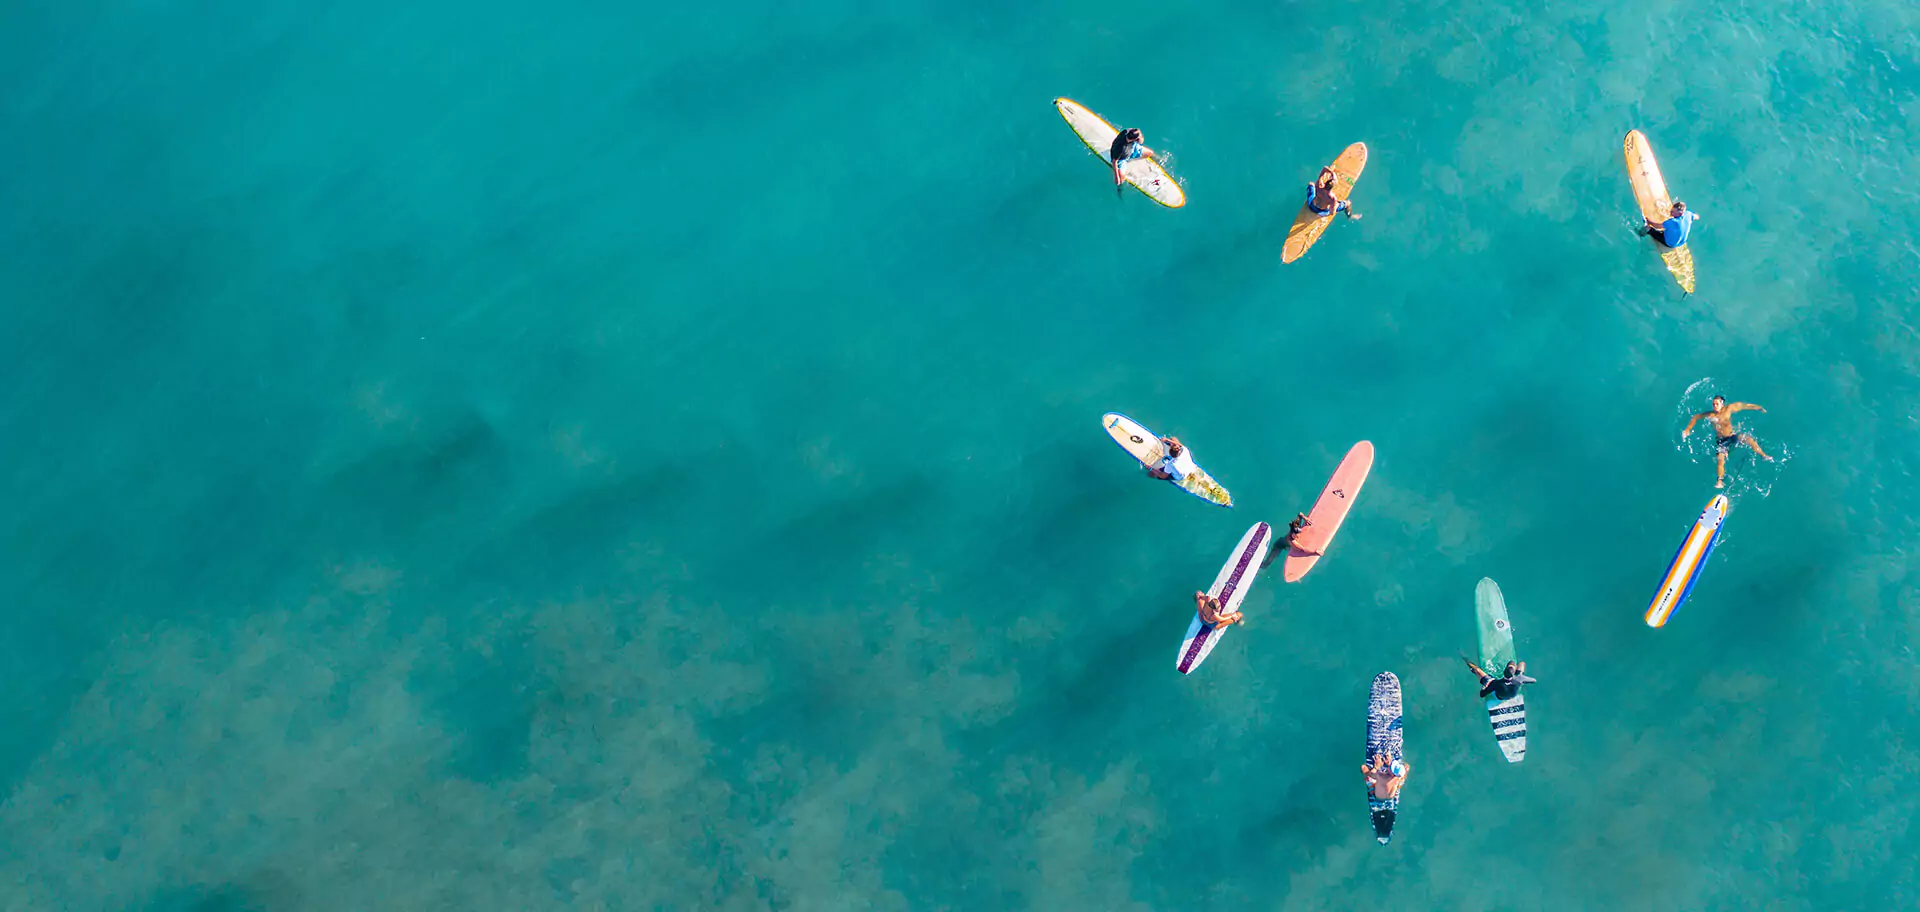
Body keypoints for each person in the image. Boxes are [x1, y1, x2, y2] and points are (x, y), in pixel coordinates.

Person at [1682, 395, 1773, 488]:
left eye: (1717, 404)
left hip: (1731, 436)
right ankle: (1720, 481)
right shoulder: (1711, 415)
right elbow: (1695, 417)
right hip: (1721, 441)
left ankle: (1764, 455)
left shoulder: (1729, 409)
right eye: (1713, 404)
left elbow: (1744, 405)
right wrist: (1688, 429)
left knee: (1748, 439)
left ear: (1722, 404)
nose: (1715, 406)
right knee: (1720, 460)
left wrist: (1758, 408)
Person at [1462, 658, 1537, 700]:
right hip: (1513, 695)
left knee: (1478, 671)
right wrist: (1521, 679)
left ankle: (1466, 660)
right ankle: (1519, 671)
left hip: (1500, 697)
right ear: (1513, 673)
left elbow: (1482, 694)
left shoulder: (1496, 683)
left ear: (1504, 672)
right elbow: (1534, 680)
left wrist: (1485, 686)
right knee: (1522, 663)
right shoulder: (1519, 679)